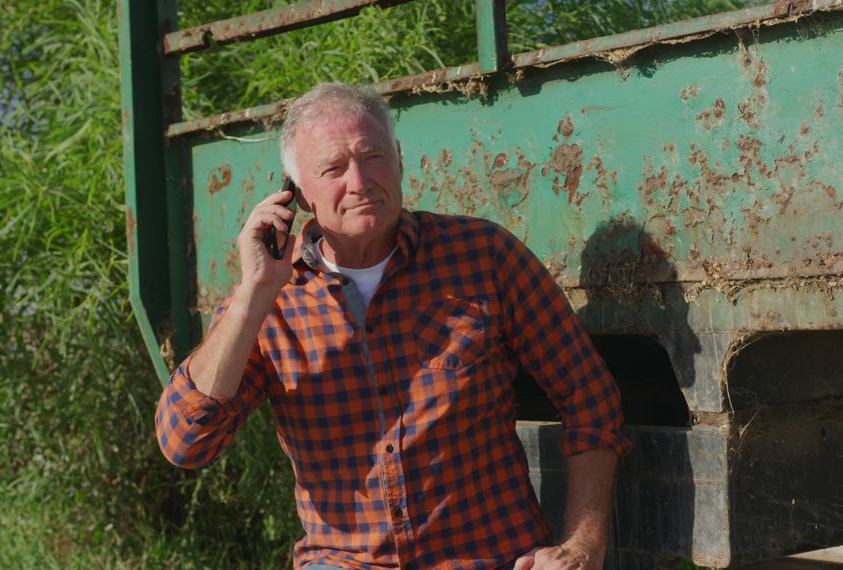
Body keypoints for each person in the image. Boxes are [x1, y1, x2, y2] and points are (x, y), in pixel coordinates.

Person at [155, 82, 629, 570]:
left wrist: (582, 546)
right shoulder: (267, 303)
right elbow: (186, 443)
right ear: (296, 196)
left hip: (490, 558)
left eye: (373, 156)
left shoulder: (483, 256)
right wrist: (255, 291)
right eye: (333, 168)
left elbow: (588, 396)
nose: (359, 181)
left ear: (399, 161)